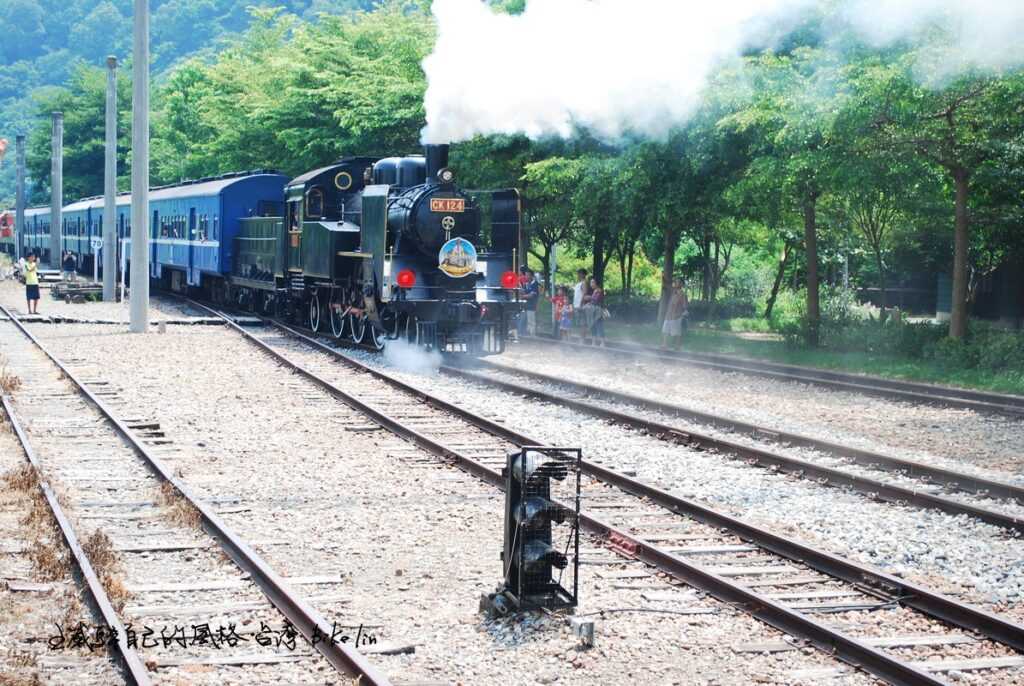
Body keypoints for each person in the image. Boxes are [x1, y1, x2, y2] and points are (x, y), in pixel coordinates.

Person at [661, 277, 689, 350]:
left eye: (679, 282)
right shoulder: (673, 291)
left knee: (677, 332)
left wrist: (683, 314)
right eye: (676, 282)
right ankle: (664, 345)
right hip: (668, 315)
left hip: (676, 316)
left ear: (682, 284)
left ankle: (677, 346)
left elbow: (685, 306)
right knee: (665, 330)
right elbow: (665, 286)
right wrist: (663, 277)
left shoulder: (683, 295)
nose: (677, 283)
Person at [582, 277, 607, 346]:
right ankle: (594, 342)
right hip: (593, 311)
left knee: (599, 326)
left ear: (597, 283)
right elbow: (593, 301)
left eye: (593, 282)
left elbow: (596, 300)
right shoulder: (594, 291)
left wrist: (589, 298)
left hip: (598, 312)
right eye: (590, 282)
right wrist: (588, 302)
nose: (591, 284)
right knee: (593, 326)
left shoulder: (599, 290)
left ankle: (602, 342)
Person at [520, 266, 540, 337]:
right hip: (525, 306)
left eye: (528, 275)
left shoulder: (535, 284)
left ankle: (532, 336)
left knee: (531, 322)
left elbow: (531, 295)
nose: (526, 276)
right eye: (525, 275)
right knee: (524, 321)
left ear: (531, 275)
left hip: (532, 306)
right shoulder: (526, 284)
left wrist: (523, 296)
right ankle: (525, 335)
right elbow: (523, 292)